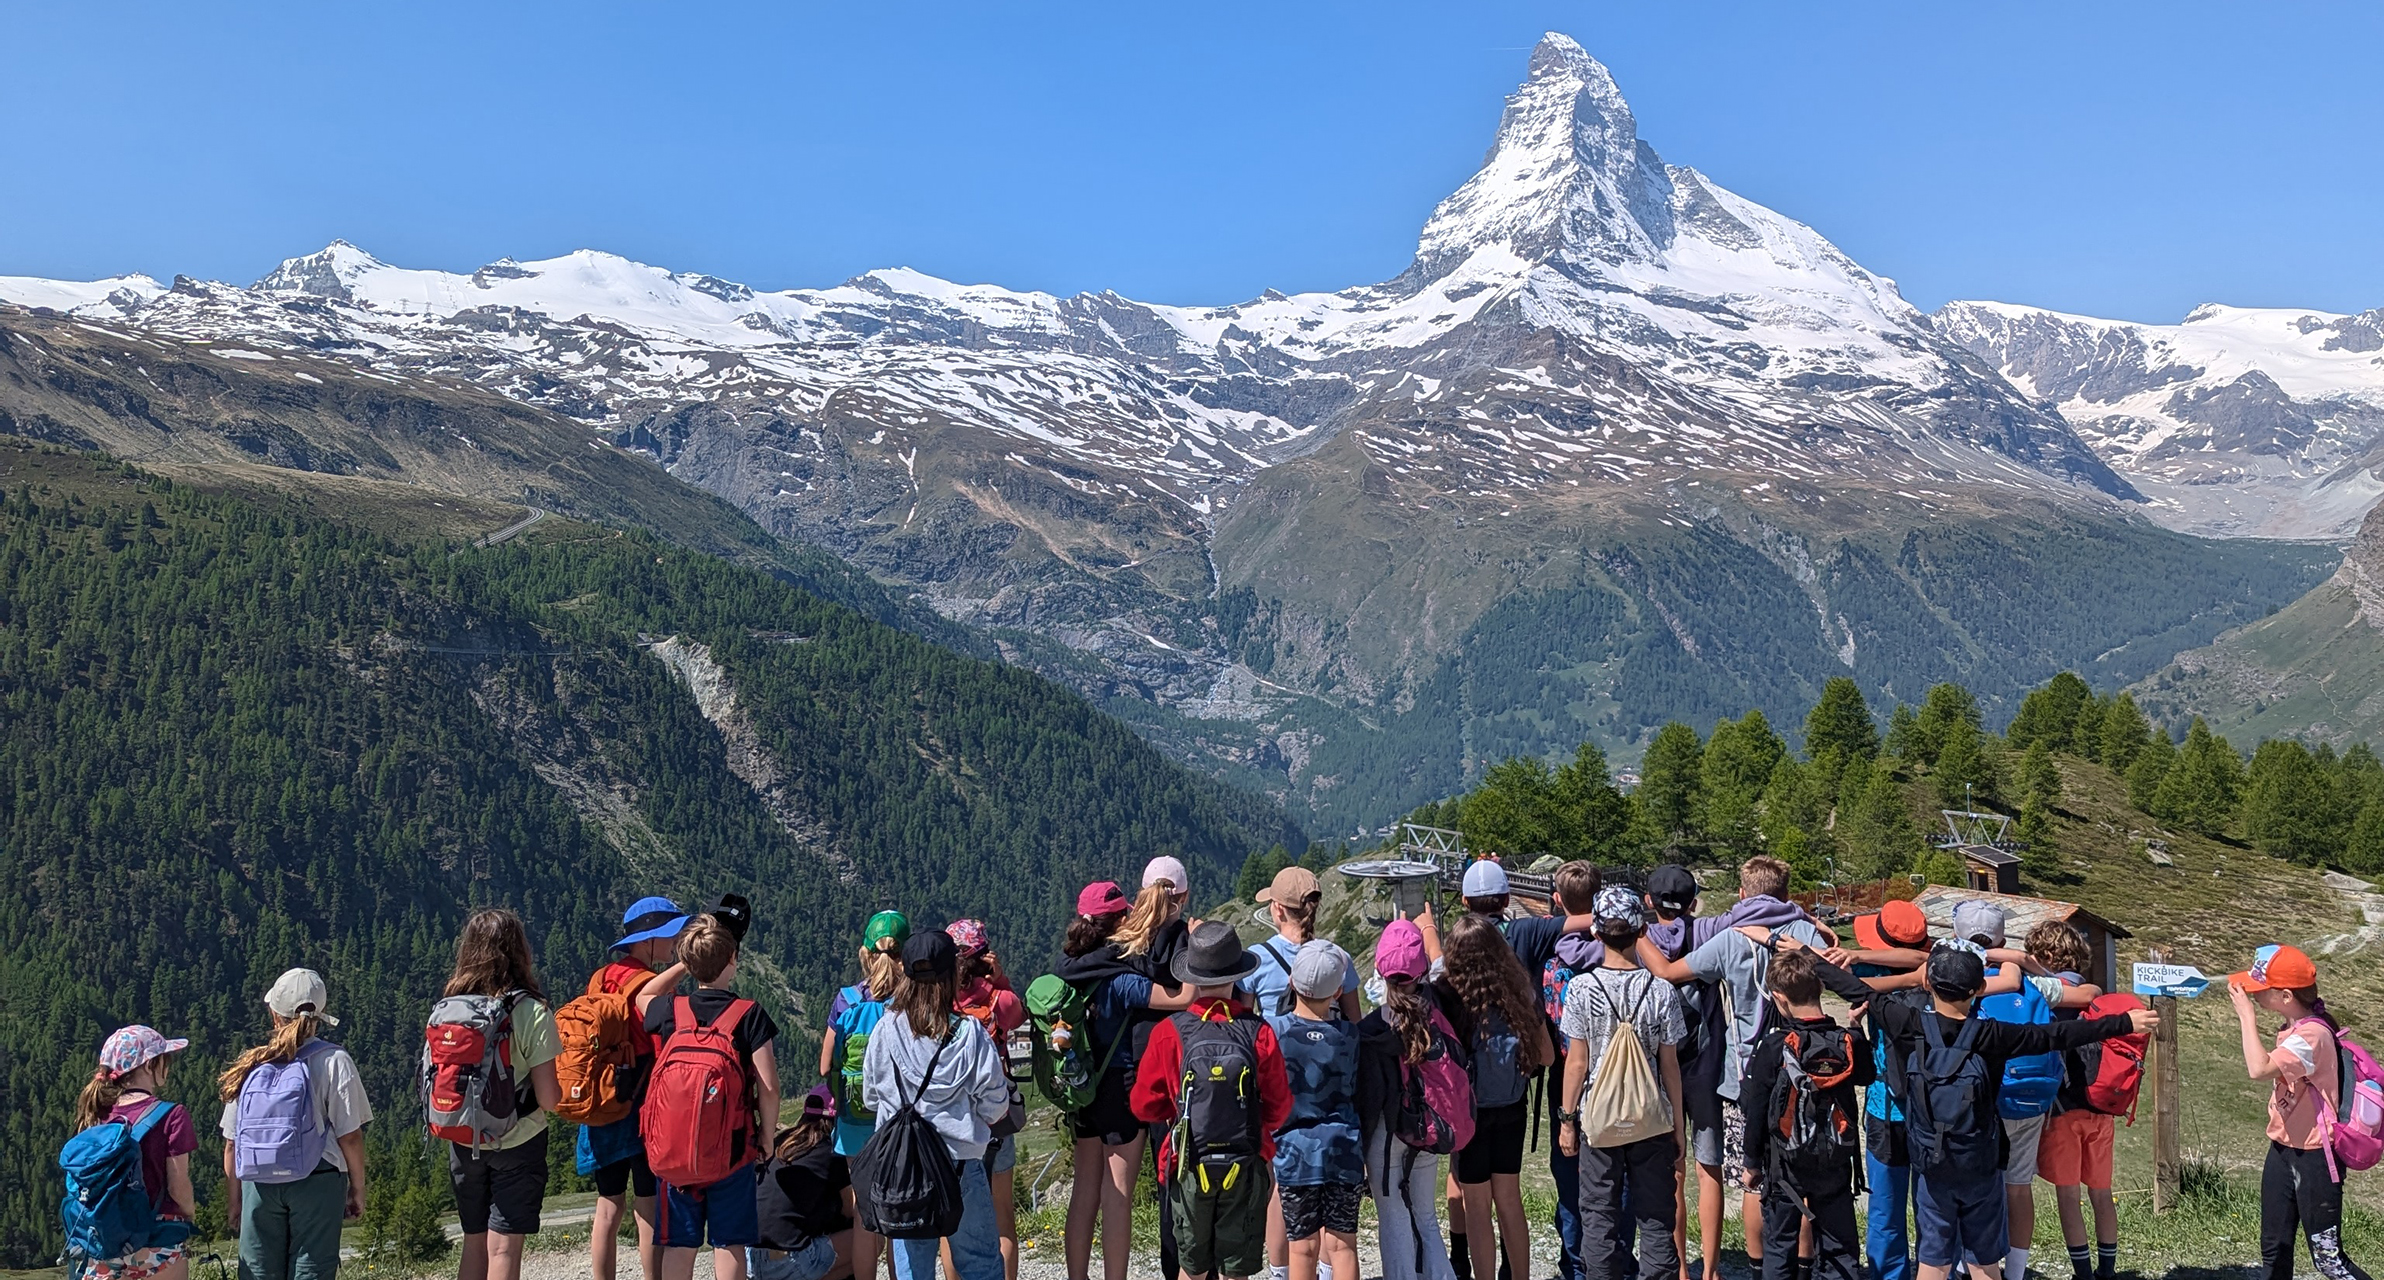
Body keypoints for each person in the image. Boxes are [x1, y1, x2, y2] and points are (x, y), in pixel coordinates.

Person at [1855, 943, 2156, 1280]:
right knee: (1984, 1262)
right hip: (1981, 1162)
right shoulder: (1992, 1034)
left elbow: (1851, 987)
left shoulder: (1908, 1023)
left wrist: (1806, 955)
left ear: (1928, 984)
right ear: (1979, 990)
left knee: (1933, 1262)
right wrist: (2123, 1022)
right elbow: (2058, 1035)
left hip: (1933, 1162)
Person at [1632, 858, 1834, 1276]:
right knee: (1802, 1178)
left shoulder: (1728, 937)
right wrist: (1803, 915)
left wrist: (1636, 930)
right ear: (1785, 894)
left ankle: (1758, 1268)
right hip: (1806, 1068)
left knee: (1752, 1177)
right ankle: (1804, 1263)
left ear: (1742, 894)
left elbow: (1670, 972)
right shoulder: (1805, 935)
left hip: (1745, 1073)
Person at [1130, 919, 1294, 1280]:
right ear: (1236, 976)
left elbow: (1143, 1104)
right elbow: (1280, 1106)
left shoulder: (1168, 1032)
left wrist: (1177, 1111)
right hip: (1246, 1163)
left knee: (1192, 1266)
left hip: (1188, 1162)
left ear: (1193, 976)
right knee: (1236, 1267)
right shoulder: (1259, 1031)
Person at [1055, 881, 1194, 1280]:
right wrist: (1196, 944)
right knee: (1117, 1194)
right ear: (1118, 921)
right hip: (1120, 1086)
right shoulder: (1119, 977)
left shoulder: (1069, 970)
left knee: (1083, 1193)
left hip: (1081, 1086)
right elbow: (1182, 997)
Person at [861, 929, 1013, 1280]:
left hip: (902, 1171)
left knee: (914, 1269)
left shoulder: (885, 1030)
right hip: (960, 1165)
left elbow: (871, 1096)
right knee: (980, 1264)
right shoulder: (970, 1034)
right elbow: (994, 1106)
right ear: (951, 975)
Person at [642, 912, 783, 1280]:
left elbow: (643, 995)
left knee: (680, 1245)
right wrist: (766, 1138)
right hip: (732, 1152)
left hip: (674, 1155)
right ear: (733, 960)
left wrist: (683, 967)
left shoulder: (670, 1010)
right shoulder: (748, 1015)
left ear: (689, 962)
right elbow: (769, 1086)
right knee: (729, 1243)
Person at [1559, 886, 1686, 1280]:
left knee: (1598, 1216)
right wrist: (1678, 1129)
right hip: (1650, 1117)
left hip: (1599, 1118)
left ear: (1596, 933)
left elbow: (1577, 1064)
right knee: (1656, 1217)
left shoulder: (1581, 989)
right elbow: (1670, 1067)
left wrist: (1567, 1120)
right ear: (1640, 933)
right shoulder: (1662, 991)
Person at [2228, 944, 2376, 1280]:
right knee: (2274, 1251)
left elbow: (2259, 1068)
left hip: (2316, 1161)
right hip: (2282, 1151)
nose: (2252, 995)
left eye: (2259, 990)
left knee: (2329, 1261)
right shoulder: (2293, 1027)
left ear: (2284, 995)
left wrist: (2246, 1017)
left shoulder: (2311, 1036)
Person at [219, 968, 373, 1280]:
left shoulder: (251, 1064)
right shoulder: (334, 1060)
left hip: (259, 1182)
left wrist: (236, 1201)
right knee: (311, 1270)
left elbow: (232, 1143)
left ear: (274, 1014)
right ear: (321, 1014)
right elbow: (350, 1137)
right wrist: (357, 1188)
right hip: (319, 1179)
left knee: (258, 1272)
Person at [436, 909, 564, 1280]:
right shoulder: (530, 1011)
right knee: (504, 1246)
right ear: (519, 951)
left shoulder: (449, 1008)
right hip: (518, 1141)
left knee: (473, 1242)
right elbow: (548, 1099)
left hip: (463, 1137)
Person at [1739, 948, 1871, 1280]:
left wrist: (1751, 1163)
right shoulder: (1846, 1040)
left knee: (1780, 1245)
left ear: (1779, 999)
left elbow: (1757, 1110)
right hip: (1836, 1160)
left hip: (1785, 1166)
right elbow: (1867, 1075)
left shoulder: (1775, 1047)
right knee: (1840, 1246)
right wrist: (1856, 1030)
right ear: (1821, 989)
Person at [583, 897, 693, 1280]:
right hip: (640, 1102)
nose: (675, 943)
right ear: (648, 941)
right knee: (647, 1203)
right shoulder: (648, 984)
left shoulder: (600, 977)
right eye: (669, 936)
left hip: (601, 1099)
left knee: (608, 1204)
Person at [1440, 913, 1553, 1280]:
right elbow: (1547, 1056)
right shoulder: (1519, 992)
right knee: (1509, 1200)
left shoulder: (1451, 997)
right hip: (1512, 1106)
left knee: (1477, 1206)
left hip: (1470, 1113)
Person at [1837, 898, 1934, 1280]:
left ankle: (1887, 1274)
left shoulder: (1866, 977)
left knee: (1885, 1210)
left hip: (1886, 1107)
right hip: (1935, 1110)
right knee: (1932, 1207)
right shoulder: (1943, 972)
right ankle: (1934, 1270)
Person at [1358, 918, 1461, 1280]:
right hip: (1429, 1124)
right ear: (1422, 972)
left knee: (1392, 1213)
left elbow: (1369, 1099)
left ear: (1380, 970)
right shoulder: (1439, 1008)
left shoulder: (1373, 1030)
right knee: (1425, 1213)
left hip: (1389, 1134)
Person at [1267, 941, 1367, 1280]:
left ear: (1292, 982)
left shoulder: (1273, 1032)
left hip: (1295, 1153)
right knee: (1342, 1246)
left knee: (1302, 1247)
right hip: (1344, 1150)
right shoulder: (1350, 1036)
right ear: (1338, 991)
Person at [2027, 923, 2118, 1280]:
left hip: (2062, 1108)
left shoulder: (2043, 994)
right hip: (2102, 1107)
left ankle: (2083, 1273)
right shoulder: (2095, 995)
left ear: (2045, 957)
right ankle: (2107, 1271)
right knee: (2101, 1193)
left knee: (2068, 1196)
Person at [825, 909, 908, 1280]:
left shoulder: (846, 1000)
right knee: (900, 1213)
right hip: (898, 1123)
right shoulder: (911, 1000)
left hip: (854, 1122)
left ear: (865, 954)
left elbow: (826, 1065)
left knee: (863, 1212)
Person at [78, 1025, 199, 1280]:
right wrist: (189, 1215)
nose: (168, 1065)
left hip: (105, 1241)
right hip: (158, 1240)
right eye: (164, 1059)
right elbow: (178, 1187)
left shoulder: (97, 1115)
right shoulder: (172, 1115)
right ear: (147, 1065)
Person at [947, 918, 1027, 1280]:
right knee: (1001, 1214)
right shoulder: (1000, 999)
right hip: (996, 1117)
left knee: (953, 1218)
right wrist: (1001, 978)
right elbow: (1018, 1015)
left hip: (952, 1119)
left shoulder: (942, 1002)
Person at [750, 1087, 856, 1280]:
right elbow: (851, 1209)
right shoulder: (831, 1151)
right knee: (867, 1240)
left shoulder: (780, 1142)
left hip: (750, 1258)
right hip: (786, 1262)